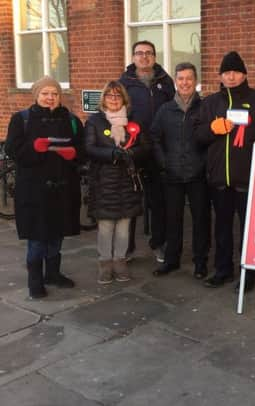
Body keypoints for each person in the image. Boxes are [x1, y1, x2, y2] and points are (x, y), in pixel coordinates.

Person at [196, 51, 255, 291]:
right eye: (226, 72)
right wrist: (212, 129)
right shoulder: (211, 103)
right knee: (222, 227)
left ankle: (248, 273)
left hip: (249, 179)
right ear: (220, 76)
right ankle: (223, 270)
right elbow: (198, 137)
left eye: (235, 72)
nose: (231, 76)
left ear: (244, 74)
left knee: (248, 229)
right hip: (220, 178)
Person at [4, 75, 84, 299]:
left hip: (63, 188)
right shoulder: (22, 119)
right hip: (33, 190)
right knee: (37, 237)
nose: (50, 98)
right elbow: (12, 150)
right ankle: (35, 281)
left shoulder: (71, 120)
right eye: (45, 93)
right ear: (36, 95)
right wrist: (33, 148)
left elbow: (82, 149)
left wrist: (74, 154)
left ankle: (53, 274)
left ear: (60, 96)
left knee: (57, 234)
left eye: (55, 93)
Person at [84, 81, 149, 284]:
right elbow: (89, 148)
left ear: (124, 99)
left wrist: (131, 153)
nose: (113, 99)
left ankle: (120, 261)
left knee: (124, 225)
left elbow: (145, 147)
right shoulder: (95, 121)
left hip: (128, 180)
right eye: (110, 96)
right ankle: (105, 263)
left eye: (118, 96)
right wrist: (111, 154)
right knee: (105, 226)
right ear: (103, 99)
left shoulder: (133, 121)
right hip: (104, 181)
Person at [150, 63, 210, 279]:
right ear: (175, 82)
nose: (185, 82)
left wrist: (203, 163)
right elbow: (154, 137)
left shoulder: (204, 108)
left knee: (201, 220)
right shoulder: (165, 110)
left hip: (198, 174)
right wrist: (163, 162)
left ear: (196, 81)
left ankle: (200, 262)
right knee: (172, 220)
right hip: (172, 174)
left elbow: (211, 139)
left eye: (189, 78)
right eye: (181, 78)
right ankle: (171, 260)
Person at [119, 40, 175, 263]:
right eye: (139, 53)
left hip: (159, 148)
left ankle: (158, 243)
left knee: (158, 200)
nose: (144, 57)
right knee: (131, 200)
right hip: (133, 148)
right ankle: (128, 248)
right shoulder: (124, 82)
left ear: (154, 56)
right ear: (133, 57)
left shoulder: (165, 81)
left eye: (149, 53)